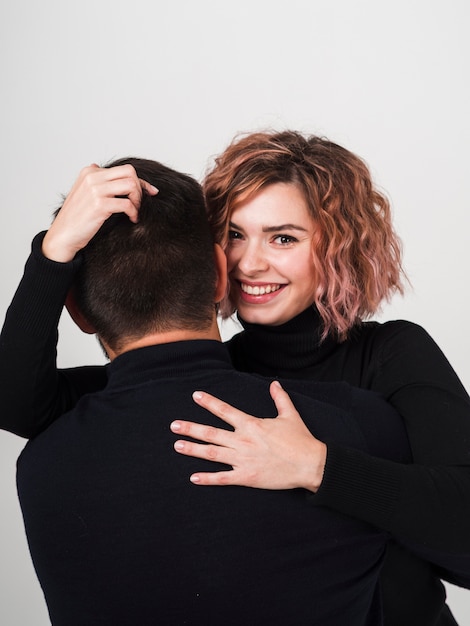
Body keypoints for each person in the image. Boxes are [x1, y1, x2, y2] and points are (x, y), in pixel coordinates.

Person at [1, 132, 470, 624]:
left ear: (339, 248)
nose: (250, 262)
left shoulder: (391, 354)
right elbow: (19, 406)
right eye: (235, 235)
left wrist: (319, 468)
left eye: (283, 237)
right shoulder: (212, 375)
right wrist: (53, 253)